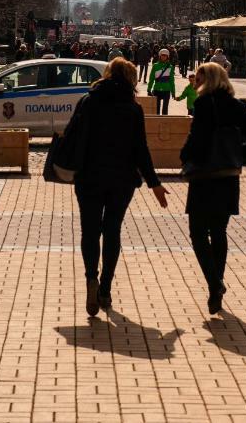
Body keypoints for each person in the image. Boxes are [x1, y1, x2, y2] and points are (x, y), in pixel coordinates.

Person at [63, 57, 168, 316]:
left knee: (89, 229)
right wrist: (154, 183)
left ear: (108, 74)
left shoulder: (88, 101)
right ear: (131, 78)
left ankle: (91, 277)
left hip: (89, 175)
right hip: (121, 179)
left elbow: (72, 134)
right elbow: (140, 149)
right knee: (112, 229)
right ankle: (106, 288)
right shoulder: (132, 108)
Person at [181, 62, 246, 315]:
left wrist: (184, 157)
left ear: (210, 80)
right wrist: (237, 156)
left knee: (197, 233)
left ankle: (215, 284)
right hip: (228, 176)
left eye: (199, 78)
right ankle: (216, 288)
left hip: (204, 175)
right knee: (218, 231)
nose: (195, 82)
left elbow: (196, 139)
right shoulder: (239, 107)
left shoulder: (204, 104)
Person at [147, 48, 175, 115]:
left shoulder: (170, 67)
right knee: (157, 109)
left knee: (165, 110)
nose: (163, 56)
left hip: (166, 90)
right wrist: (149, 89)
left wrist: (173, 92)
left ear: (167, 56)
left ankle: (164, 124)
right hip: (157, 89)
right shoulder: (155, 66)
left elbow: (171, 80)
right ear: (160, 56)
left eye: (165, 55)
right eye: (162, 55)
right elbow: (151, 78)